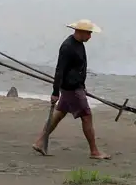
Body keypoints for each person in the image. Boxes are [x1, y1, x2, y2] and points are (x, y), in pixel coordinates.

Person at [32, 19, 110, 160]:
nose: (90, 37)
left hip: (75, 87)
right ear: (80, 32)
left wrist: (82, 86)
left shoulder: (79, 45)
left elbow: (79, 69)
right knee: (87, 117)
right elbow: (59, 70)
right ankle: (94, 151)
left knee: (59, 115)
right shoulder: (67, 47)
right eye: (88, 33)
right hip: (71, 89)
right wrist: (55, 92)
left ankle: (39, 141)